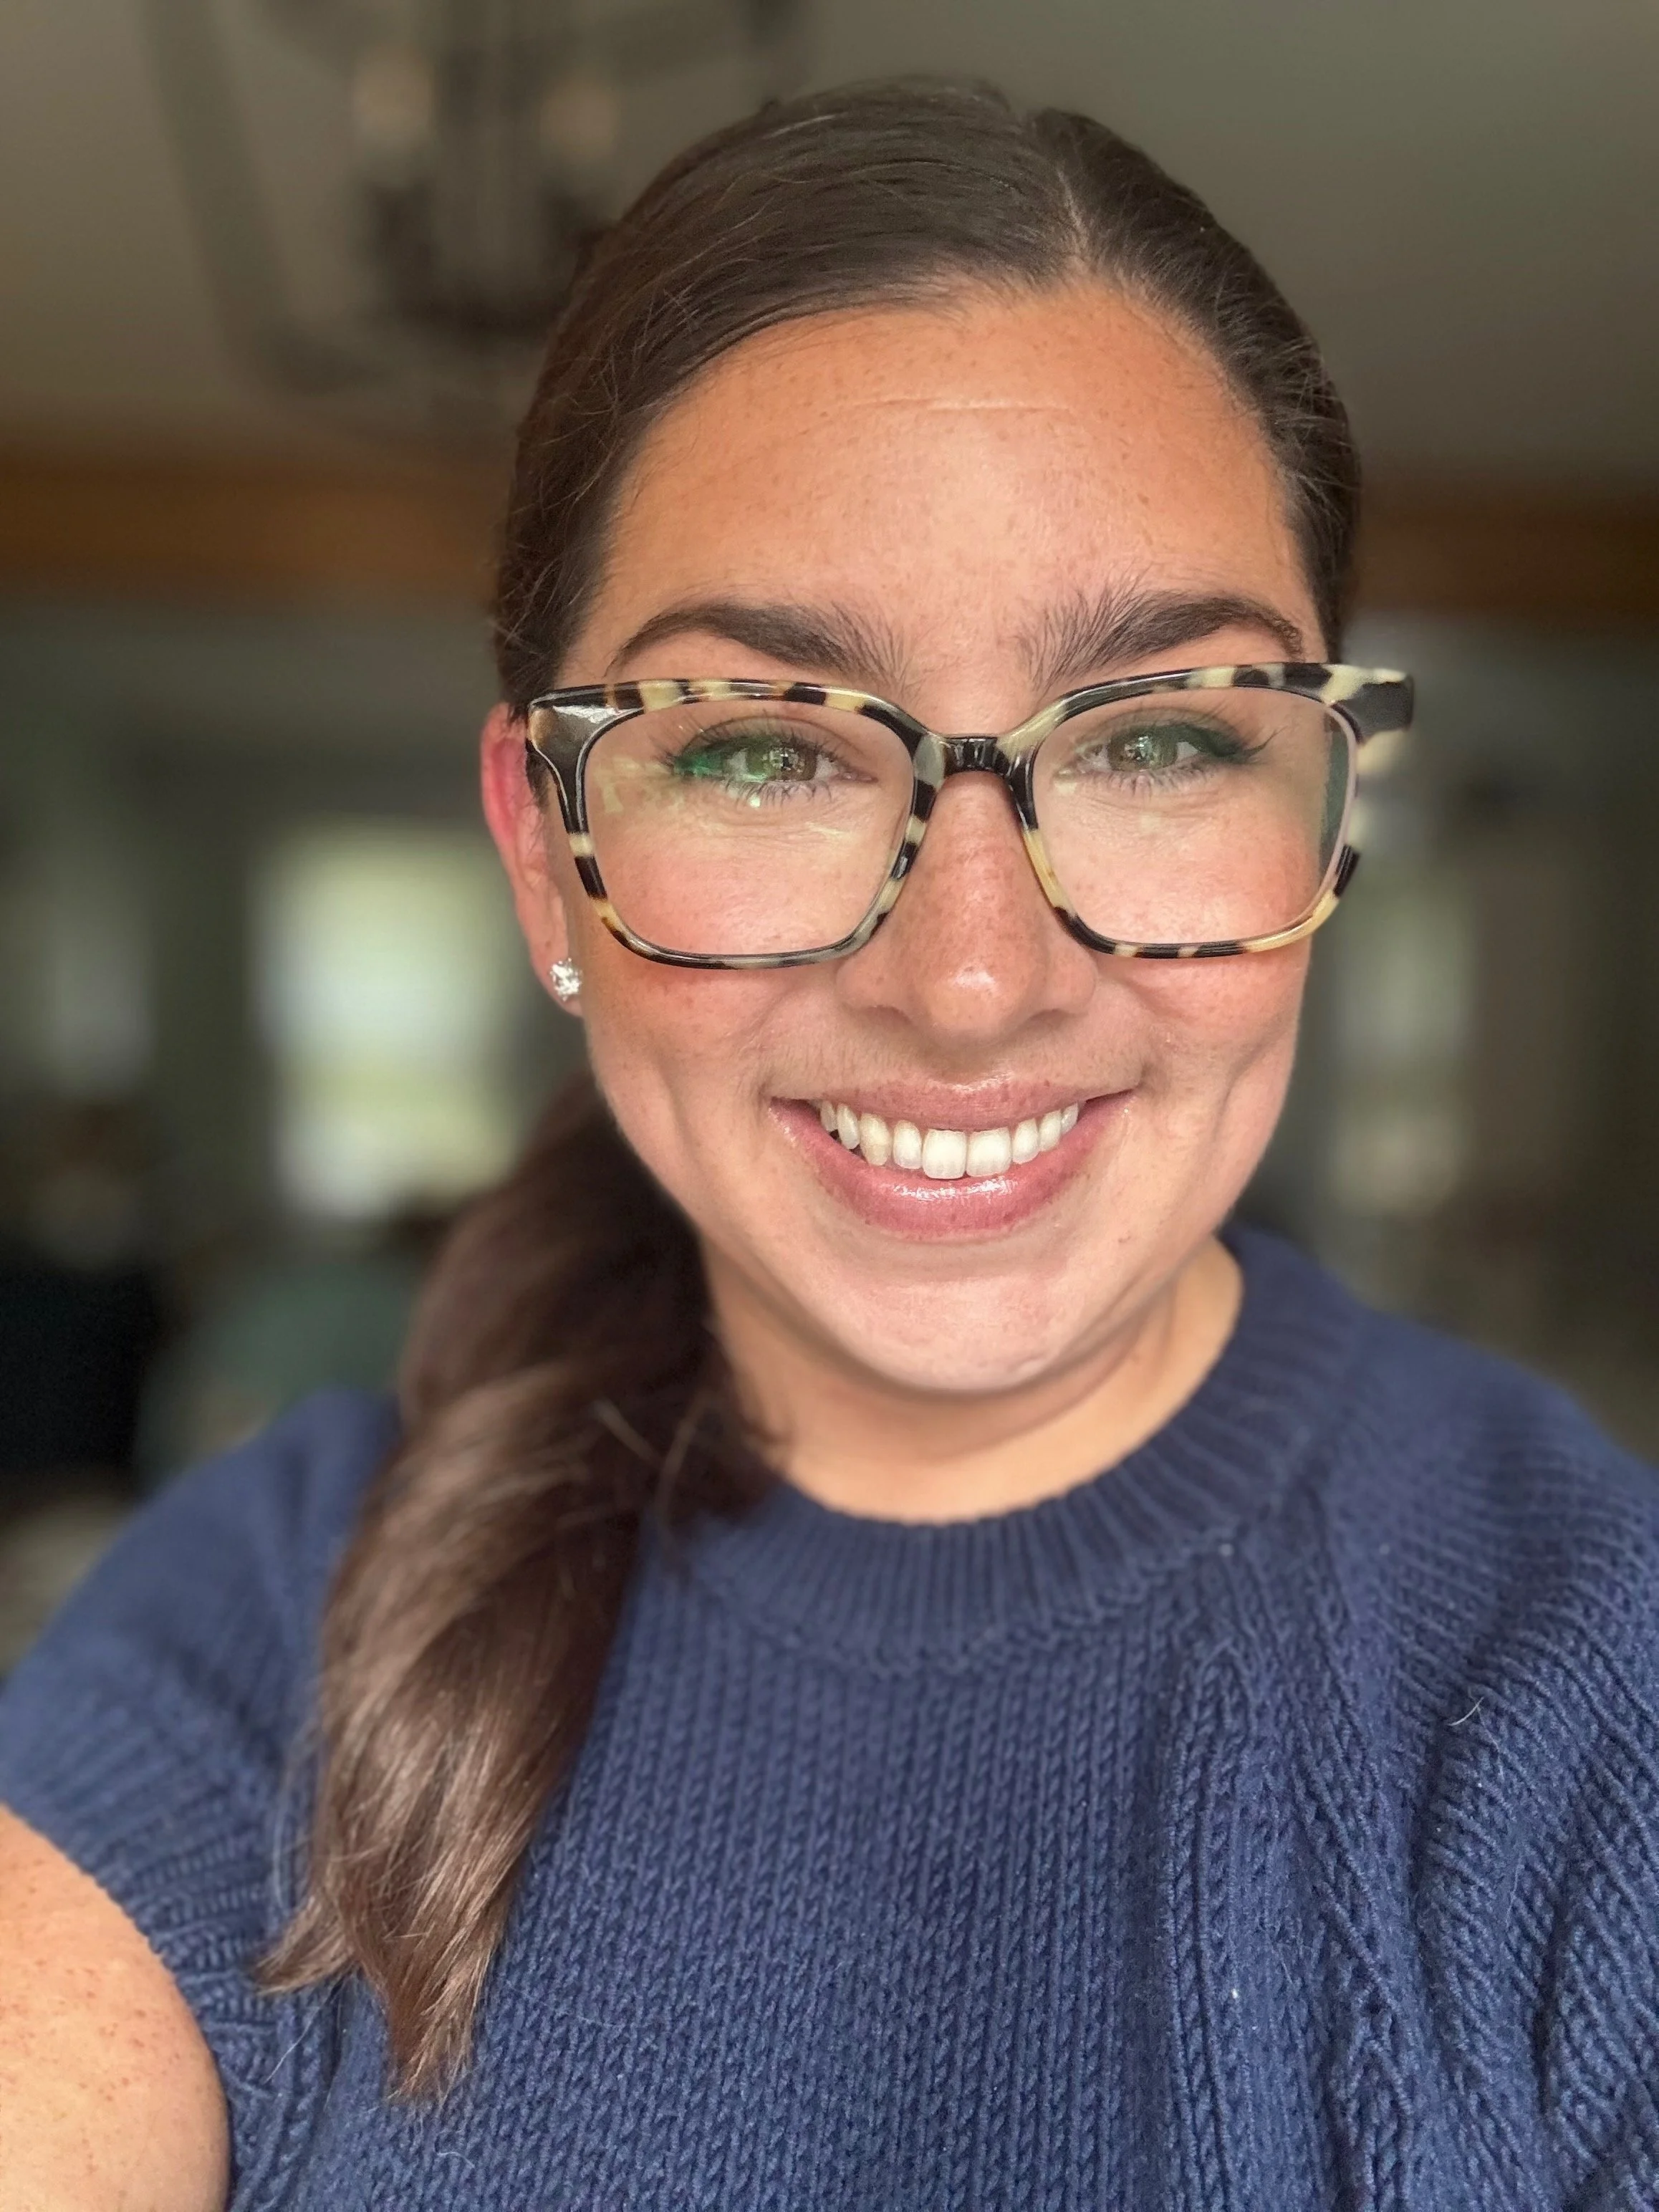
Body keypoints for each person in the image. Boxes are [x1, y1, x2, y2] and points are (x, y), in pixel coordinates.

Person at [2, 79, 1655, 2212]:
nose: (972, 981)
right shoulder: (243, 1636)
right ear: (545, 857)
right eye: (765, 748)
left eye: (1159, 734)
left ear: (1318, 810)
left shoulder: (1589, 1690)